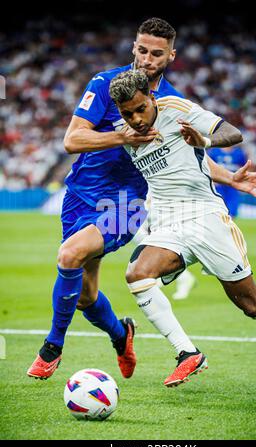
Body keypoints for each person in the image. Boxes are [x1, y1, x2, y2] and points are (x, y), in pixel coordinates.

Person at [109, 69, 256, 387]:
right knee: (137, 274)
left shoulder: (177, 109)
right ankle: (187, 353)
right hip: (169, 222)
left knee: (252, 305)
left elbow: (232, 134)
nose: (136, 119)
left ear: (152, 98)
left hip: (206, 217)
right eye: (127, 114)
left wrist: (205, 141)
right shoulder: (123, 133)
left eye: (141, 109)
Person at [27, 18, 185, 380]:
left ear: (170, 56)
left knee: (69, 255)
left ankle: (52, 346)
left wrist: (228, 178)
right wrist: (123, 137)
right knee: (84, 297)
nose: (147, 59)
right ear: (134, 47)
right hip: (80, 196)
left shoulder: (173, 103)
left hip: (126, 206)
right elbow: (72, 141)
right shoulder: (104, 84)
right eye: (142, 50)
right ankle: (121, 334)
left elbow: (189, 154)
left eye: (156, 53)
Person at [209, 145, 248, 217]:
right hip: (219, 184)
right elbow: (208, 167)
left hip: (233, 185)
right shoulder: (214, 151)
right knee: (218, 207)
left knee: (232, 208)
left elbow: (244, 167)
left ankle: (229, 225)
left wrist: (243, 180)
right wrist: (212, 180)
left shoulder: (239, 153)